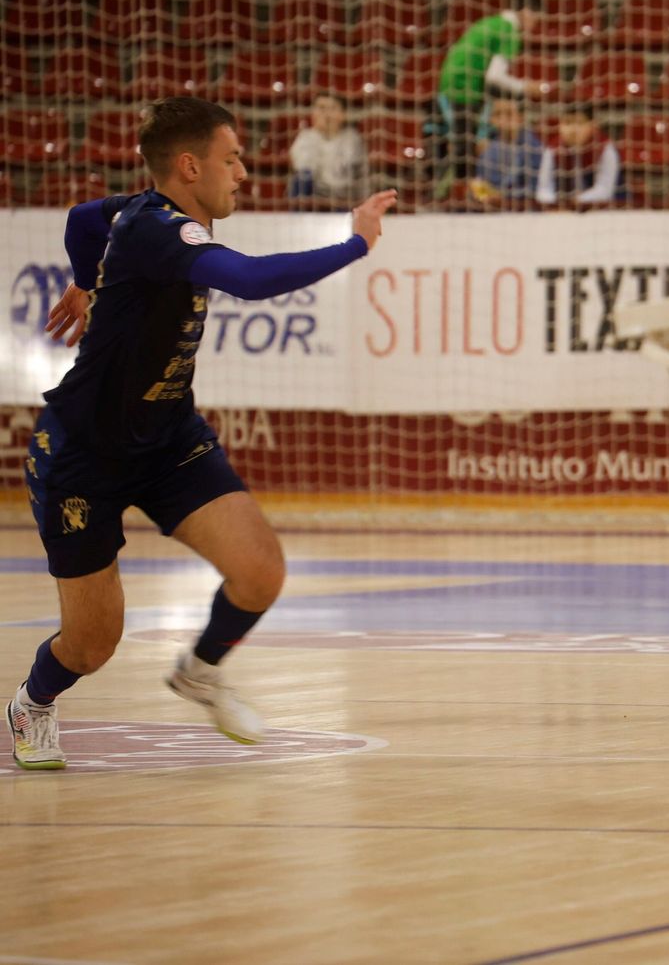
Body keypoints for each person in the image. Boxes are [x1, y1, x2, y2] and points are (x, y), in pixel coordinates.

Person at [9, 96, 397, 770]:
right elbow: (248, 280)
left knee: (260, 572)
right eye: (232, 158)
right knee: (93, 643)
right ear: (190, 167)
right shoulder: (161, 231)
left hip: (166, 438)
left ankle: (200, 669)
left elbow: (79, 220)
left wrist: (82, 283)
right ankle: (33, 702)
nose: (243, 172)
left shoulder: (137, 213)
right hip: (83, 454)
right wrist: (356, 242)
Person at [430, 6, 539, 197]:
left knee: (461, 149)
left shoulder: (491, 22)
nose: (535, 24)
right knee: (464, 153)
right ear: (526, 12)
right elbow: (494, 77)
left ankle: (456, 195)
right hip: (465, 90)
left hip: (450, 83)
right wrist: (525, 87)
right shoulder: (510, 32)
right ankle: (450, 197)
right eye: (535, 17)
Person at [288, 91, 369, 206]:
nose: (326, 114)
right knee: (301, 179)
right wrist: (317, 134)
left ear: (343, 114)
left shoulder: (351, 138)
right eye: (321, 108)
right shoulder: (306, 136)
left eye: (332, 108)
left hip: (344, 197)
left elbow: (344, 173)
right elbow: (303, 167)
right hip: (314, 196)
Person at [535, 104, 622, 210]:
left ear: (592, 125)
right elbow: (543, 189)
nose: (573, 129)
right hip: (562, 211)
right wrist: (554, 205)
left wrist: (578, 200)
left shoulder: (605, 147)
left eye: (579, 123)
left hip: (603, 210)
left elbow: (605, 190)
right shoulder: (552, 148)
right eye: (567, 123)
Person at [472, 97, 542, 209]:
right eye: (498, 114)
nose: (503, 119)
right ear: (491, 119)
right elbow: (480, 181)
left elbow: (534, 189)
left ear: (520, 117)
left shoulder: (534, 147)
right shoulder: (489, 149)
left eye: (509, 114)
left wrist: (501, 196)